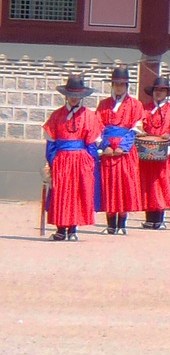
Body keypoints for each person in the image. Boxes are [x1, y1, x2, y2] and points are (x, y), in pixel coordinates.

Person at [42, 74, 104, 241]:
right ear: (66, 96)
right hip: (61, 159)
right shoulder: (56, 116)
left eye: (77, 96)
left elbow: (92, 144)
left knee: (78, 192)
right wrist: (52, 160)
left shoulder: (90, 116)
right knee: (61, 193)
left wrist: (90, 162)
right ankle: (61, 229)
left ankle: (73, 229)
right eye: (71, 95)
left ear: (82, 97)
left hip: (81, 159)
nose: (74, 99)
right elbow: (51, 142)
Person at [96, 66, 143, 236]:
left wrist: (123, 146)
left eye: (122, 84)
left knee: (124, 185)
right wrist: (106, 145)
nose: (118, 87)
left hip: (126, 151)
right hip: (108, 151)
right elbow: (98, 126)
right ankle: (110, 224)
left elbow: (136, 127)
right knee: (109, 185)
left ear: (127, 86)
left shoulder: (135, 105)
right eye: (115, 84)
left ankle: (122, 223)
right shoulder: (103, 104)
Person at [138, 76, 170, 230]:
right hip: (146, 152)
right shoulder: (144, 109)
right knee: (148, 184)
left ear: (167, 92)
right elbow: (137, 127)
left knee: (162, 183)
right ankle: (149, 217)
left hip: (164, 152)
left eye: (162, 90)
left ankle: (159, 218)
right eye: (156, 90)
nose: (159, 93)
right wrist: (141, 134)